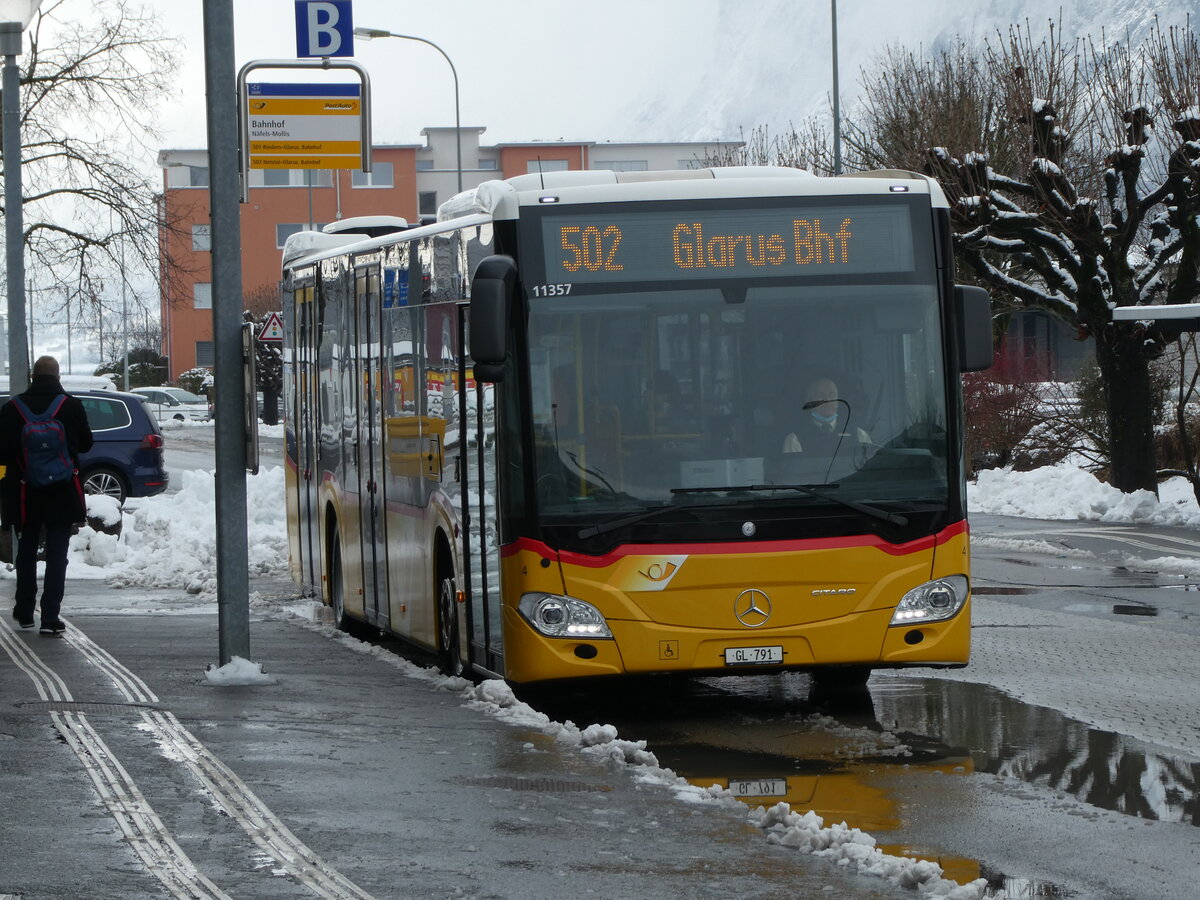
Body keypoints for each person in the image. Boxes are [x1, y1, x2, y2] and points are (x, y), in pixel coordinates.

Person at [1, 356, 94, 635]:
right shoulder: (72, 406)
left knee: (26, 552)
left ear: (32, 376)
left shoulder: (12, 409)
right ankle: (51, 617)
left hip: (25, 491)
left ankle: (25, 611)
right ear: (58, 377)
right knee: (57, 555)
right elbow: (87, 445)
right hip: (63, 492)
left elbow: (2, 452)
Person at [782, 376, 869, 454]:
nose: (827, 400)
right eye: (820, 395)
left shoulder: (859, 435)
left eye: (832, 394)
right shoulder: (794, 440)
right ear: (809, 401)